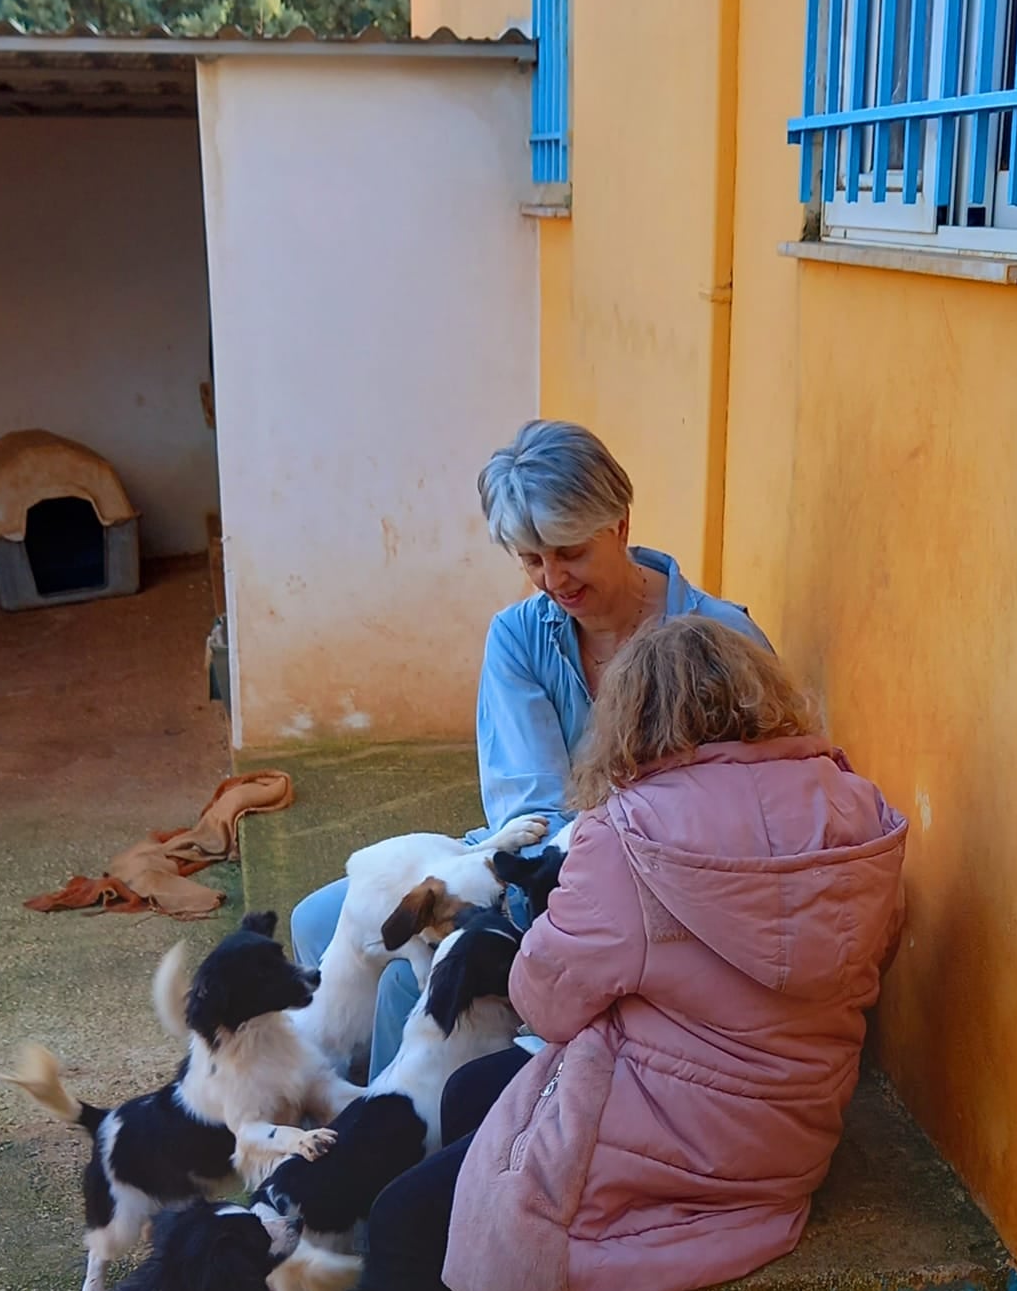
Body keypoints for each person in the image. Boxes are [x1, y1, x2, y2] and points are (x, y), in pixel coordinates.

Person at [299, 616, 908, 1291]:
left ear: (631, 718)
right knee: (472, 1095)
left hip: (679, 1136)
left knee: (408, 1218)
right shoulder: (852, 804)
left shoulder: (631, 837)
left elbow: (544, 1001)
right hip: (788, 1126)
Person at [290, 420, 772, 1082]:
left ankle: (393, 1125)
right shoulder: (519, 635)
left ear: (620, 524)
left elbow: (756, 807)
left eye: (569, 551)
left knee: (409, 978)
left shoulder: (721, 637)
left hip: (650, 892)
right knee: (318, 922)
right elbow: (531, 809)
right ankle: (341, 1105)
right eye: (530, 559)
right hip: (535, 863)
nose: (553, 579)